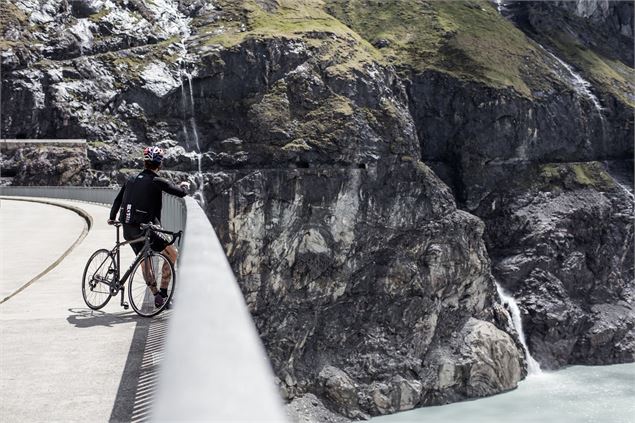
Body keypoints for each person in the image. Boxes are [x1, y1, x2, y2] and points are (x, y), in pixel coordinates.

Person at [108, 146, 189, 307]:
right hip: (146, 229)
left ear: (145, 162)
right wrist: (185, 186)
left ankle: (156, 295)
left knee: (145, 261)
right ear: (160, 164)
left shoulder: (131, 178)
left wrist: (112, 218)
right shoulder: (156, 181)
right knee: (172, 253)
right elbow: (179, 193)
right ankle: (164, 294)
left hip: (128, 228)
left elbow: (118, 200)